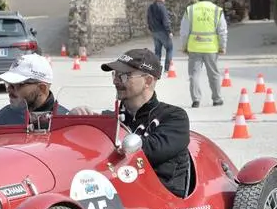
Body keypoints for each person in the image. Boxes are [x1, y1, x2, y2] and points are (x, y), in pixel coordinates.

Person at [71, 48, 191, 198]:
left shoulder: (174, 117)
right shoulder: (110, 118)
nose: (116, 81)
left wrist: (112, 140)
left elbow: (150, 151)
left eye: (124, 76)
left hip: (161, 203)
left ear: (147, 81)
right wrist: (78, 123)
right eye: (115, 75)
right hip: (120, 199)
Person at [180, 0, 228, 108]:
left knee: (194, 74)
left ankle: (196, 100)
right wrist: (222, 46)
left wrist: (184, 46)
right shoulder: (217, 10)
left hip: (194, 47)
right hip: (211, 48)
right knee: (214, 74)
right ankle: (217, 99)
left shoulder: (190, 9)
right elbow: (222, 31)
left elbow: (184, 31)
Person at [0, 53, 68, 126]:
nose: (9, 89)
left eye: (18, 84)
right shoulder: (1, 119)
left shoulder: (65, 120)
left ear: (42, 88)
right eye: (8, 84)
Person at [146, 0, 173, 75]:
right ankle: (167, 69)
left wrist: (151, 29)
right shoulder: (162, 7)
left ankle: (156, 70)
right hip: (163, 31)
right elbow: (165, 20)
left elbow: (148, 19)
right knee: (169, 49)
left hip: (154, 32)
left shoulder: (150, 7)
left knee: (157, 51)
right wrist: (169, 31)